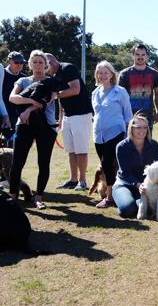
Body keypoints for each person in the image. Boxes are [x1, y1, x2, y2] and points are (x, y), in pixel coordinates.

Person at [8, 50, 58, 209]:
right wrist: (31, 102)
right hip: (24, 125)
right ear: (30, 64)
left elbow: (46, 102)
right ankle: (13, 196)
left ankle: (38, 197)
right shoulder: (23, 81)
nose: (38, 65)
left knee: (43, 163)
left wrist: (27, 110)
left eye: (41, 62)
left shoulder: (51, 82)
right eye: (34, 62)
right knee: (17, 162)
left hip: (46, 126)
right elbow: (12, 98)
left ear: (46, 65)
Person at [46, 53, 93, 191]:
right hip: (67, 116)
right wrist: (60, 118)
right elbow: (61, 99)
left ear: (52, 62)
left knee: (81, 149)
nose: (44, 70)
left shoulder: (67, 68)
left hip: (81, 114)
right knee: (71, 150)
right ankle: (73, 180)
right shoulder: (54, 76)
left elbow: (75, 89)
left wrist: (54, 95)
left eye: (45, 66)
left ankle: (83, 181)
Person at [91, 61, 132, 208]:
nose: (102, 76)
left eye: (105, 73)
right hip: (98, 135)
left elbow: (128, 114)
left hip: (116, 133)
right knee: (104, 164)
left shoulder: (120, 91)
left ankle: (110, 197)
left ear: (111, 74)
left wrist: (128, 135)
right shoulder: (95, 93)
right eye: (100, 73)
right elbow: (95, 114)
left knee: (108, 162)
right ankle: (111, 193)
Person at [113, 114, 158, 218]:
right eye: (138, 127)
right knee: (128, 210)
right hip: (124, 184)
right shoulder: (121, 147)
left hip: (145, 186)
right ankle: (121, 199)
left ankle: (132, 200)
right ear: (131, 128)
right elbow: (125, 173)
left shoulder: (153, 145)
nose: (142, 130)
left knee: (148, 209)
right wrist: (138, 185)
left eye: (145, 127)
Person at [118, 44, 158, 131]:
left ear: (147, 56)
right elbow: (119, 97)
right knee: (128, 144)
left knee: (146, 144)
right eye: (137, 54)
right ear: (133, 56)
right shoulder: (124, 74)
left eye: (143, 55)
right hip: (128, 118)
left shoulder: (154, 73)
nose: (140, 57)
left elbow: (157, 94)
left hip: (147, 118)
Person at [2, 51, 26, 137]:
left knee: (12, 144)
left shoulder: (24, 78)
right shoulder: (1, 73)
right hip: (1, 112)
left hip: (14, 115)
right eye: (16, 62)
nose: (19, 64)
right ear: (9, 61)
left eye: (22, 62)